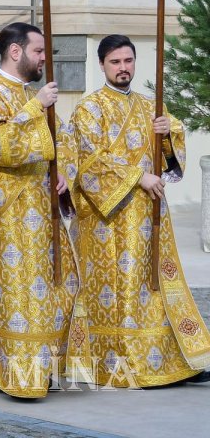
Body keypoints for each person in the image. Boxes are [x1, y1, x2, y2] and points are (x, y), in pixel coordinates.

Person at [59, 34, 210, 387]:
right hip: (108, 220)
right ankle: (125, 364)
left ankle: (171, 358)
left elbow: (171, 159)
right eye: (115, 62)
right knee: (123, 289)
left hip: (150, 212)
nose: (123, 68)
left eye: (128, 61)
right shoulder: (89, 107)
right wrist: (136, 176)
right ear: (102, 65)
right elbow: (88, 160)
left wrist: (169, 132)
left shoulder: (149, 106)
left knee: (155, 286)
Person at [0, 22, 76, 399]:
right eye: (39, 51)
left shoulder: (37, 95)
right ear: (16, 51)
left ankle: (43, 367)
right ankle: (16, 376)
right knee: (17, 294)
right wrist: (33, 109)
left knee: (55, 287)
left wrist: (66, 174)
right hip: (2, 217)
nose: (44, 59)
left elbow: (65, 140)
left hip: (40, 211)